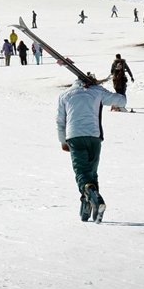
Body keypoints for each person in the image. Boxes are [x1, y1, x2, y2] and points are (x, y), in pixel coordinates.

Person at [56, 72, 126, 223]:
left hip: (74, 136)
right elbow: (121, 101)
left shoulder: (65, 95)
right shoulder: (97, 91)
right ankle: (89, 206)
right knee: (91, 172)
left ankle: (92, 198)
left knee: (82, 172)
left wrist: (63, 141)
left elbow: (60, 121)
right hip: (94, 136)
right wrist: (120, 85)